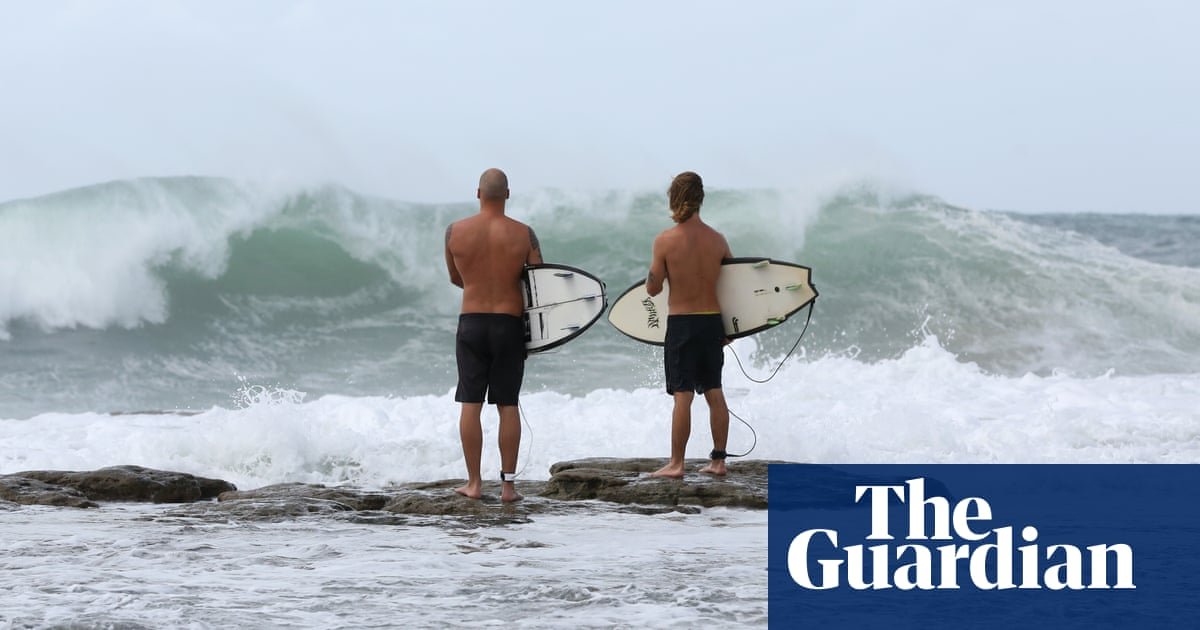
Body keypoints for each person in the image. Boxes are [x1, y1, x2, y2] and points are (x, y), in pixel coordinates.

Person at [444, 168, 542, 502]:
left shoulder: (454, 232)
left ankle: (473, 483)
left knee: (470, 404)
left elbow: (456, 279)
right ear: (508, 194)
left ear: (478, 193)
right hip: (508, 325)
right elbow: (539, 283)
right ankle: (508, 487)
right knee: (507, 403)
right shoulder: (524, 234)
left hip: (470, 322)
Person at [646, 171, 733, 479]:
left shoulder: (665, 241)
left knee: (683, 395)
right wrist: (730, 328)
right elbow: (733, 286)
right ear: (701, 199)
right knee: (714, 392)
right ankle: (719, 461)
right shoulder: (718, 240)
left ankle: (677, 464)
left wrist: (654, 275)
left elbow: (653, 288)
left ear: (675, 198)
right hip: (712, 323)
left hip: (682, 324)